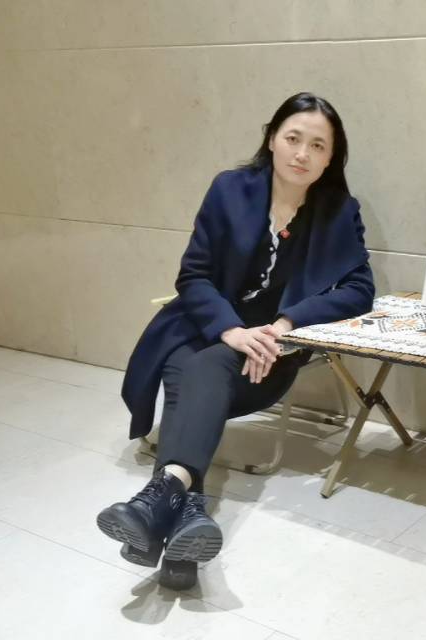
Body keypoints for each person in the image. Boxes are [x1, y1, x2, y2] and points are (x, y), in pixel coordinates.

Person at [97, 92, 374, 590]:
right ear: (272, 139)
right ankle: (182, 522)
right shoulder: (230, 189)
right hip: (206, 327)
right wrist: (229, 329)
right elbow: (194, 275)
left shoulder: (339, 210)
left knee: (195, 371)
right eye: (293, 138)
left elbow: (359, 289)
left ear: (332, 157)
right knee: (194, 366)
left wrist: (285, 325)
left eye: (317, 145)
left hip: (268, 353)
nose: (302, 154)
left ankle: (159, 500)